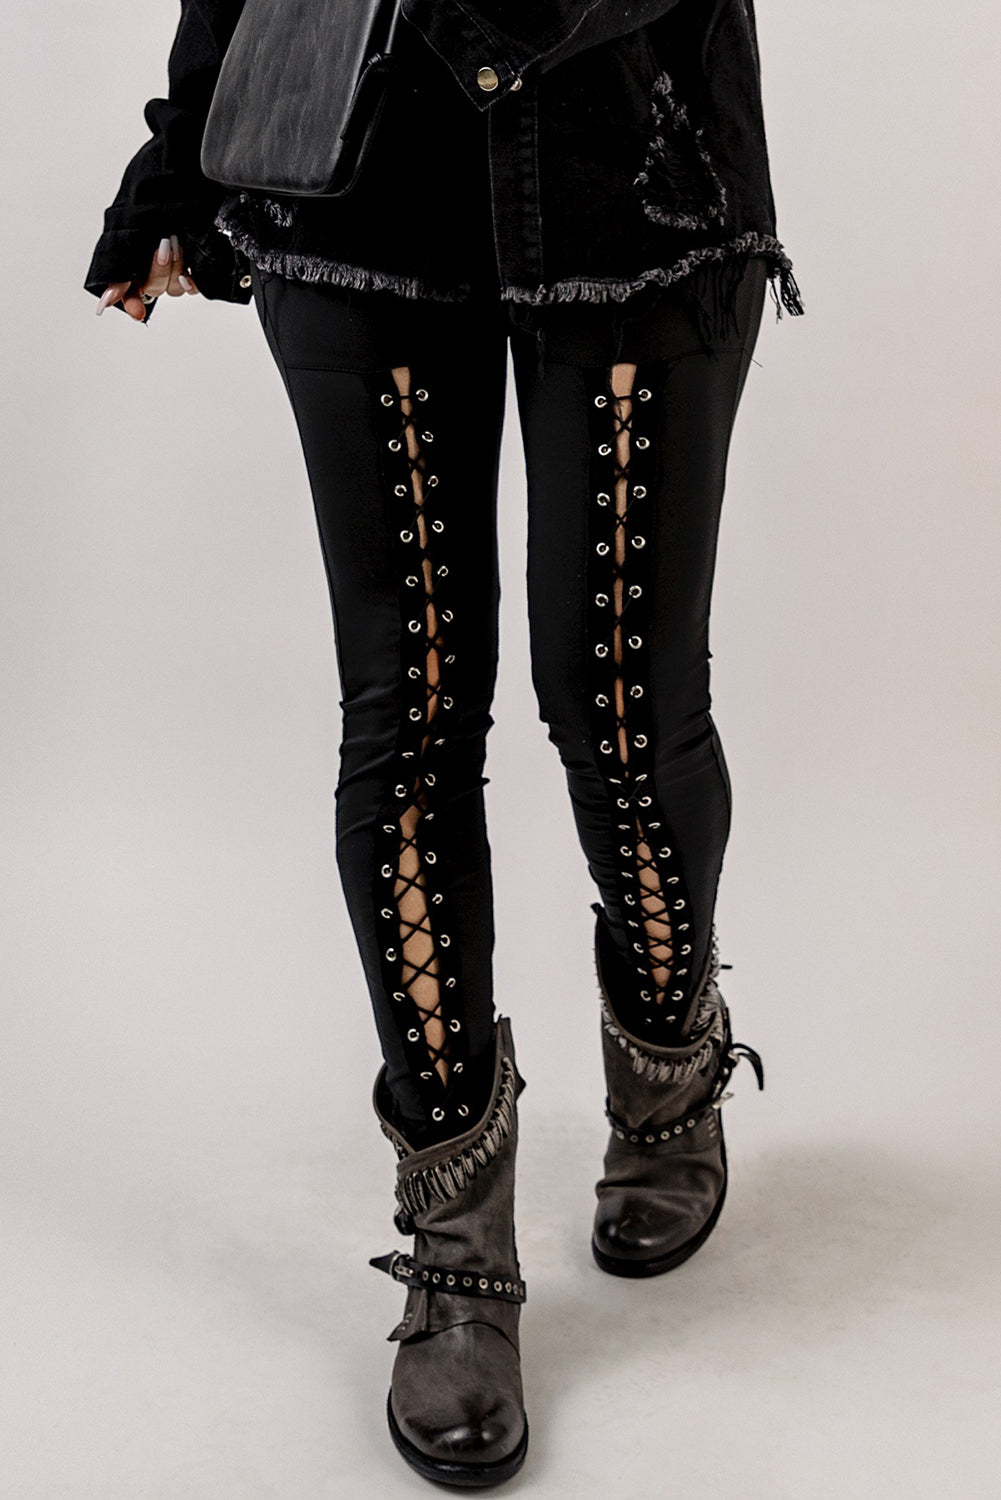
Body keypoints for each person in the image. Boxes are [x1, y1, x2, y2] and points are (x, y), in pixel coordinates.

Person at [84, 0, 802, 1485]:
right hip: (360, 171)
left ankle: (668, 1062)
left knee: (619, 703)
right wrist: (186, 147)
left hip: (632, 160)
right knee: (407, 717)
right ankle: (456, 1240)